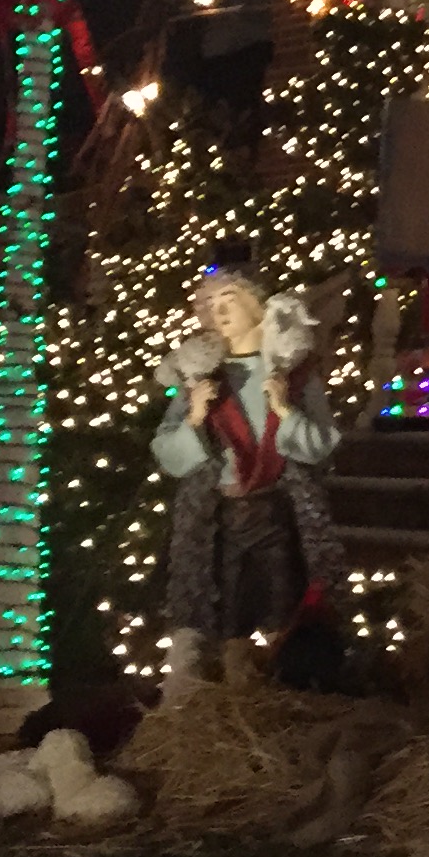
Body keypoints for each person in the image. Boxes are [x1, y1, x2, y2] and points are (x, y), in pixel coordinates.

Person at [152, 267, 343, 693]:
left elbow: (321, 445)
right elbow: (168, 454)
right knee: (227, 618)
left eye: (230, 301)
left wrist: (285, 409)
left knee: (286, 611)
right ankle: (234, 694)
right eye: (211, 305)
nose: (219, 313)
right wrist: (195, 416)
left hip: (279, 514)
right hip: (221, 520)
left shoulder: (294, 373)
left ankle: (287, 689)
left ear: (257, 306)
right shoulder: (200, 376)